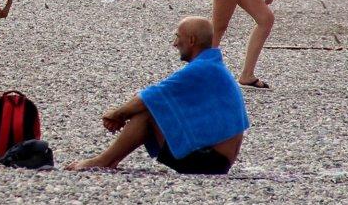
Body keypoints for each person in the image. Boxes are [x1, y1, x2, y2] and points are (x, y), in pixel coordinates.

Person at [66, 17, 247, 174]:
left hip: (210, 162)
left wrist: (116, 114)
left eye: (178, 37)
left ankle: (104, 160)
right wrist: (126, 111)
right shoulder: (211, 66)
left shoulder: (202, 69)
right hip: (218, 159)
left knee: (148, 111)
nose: (175, 43)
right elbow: (157, 95)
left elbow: (152, 96)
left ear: (192, 40)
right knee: (149, 104)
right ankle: (108, 160)